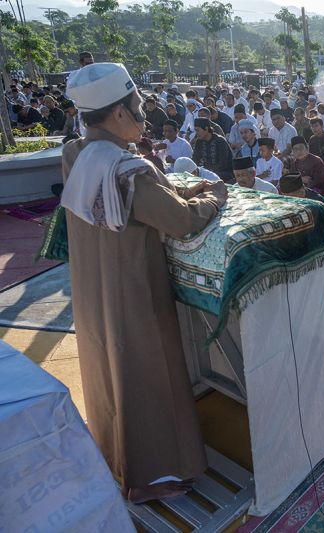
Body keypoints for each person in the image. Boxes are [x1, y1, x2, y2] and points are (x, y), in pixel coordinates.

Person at [61, 63, 228, 503]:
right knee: (148, 380)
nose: (144, 115)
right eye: (137, 107)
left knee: (107, 374)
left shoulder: (76, 154)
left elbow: (149, 203)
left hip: (93, 293)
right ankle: (151, 476)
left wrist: (173, 191)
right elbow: (181, 220)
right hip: (134, 295)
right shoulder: (129, 170)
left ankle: (115, 458)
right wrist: (214, 194)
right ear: (117, 114)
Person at [192, 117, 233, 183]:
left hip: (223, 173)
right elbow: (195, 159)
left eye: (198, 130)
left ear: (206, 129)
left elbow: (223, 163)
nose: (196, 133)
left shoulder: (220, 141)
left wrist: (208, 172)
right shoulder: (199, 142)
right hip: (206, 172)